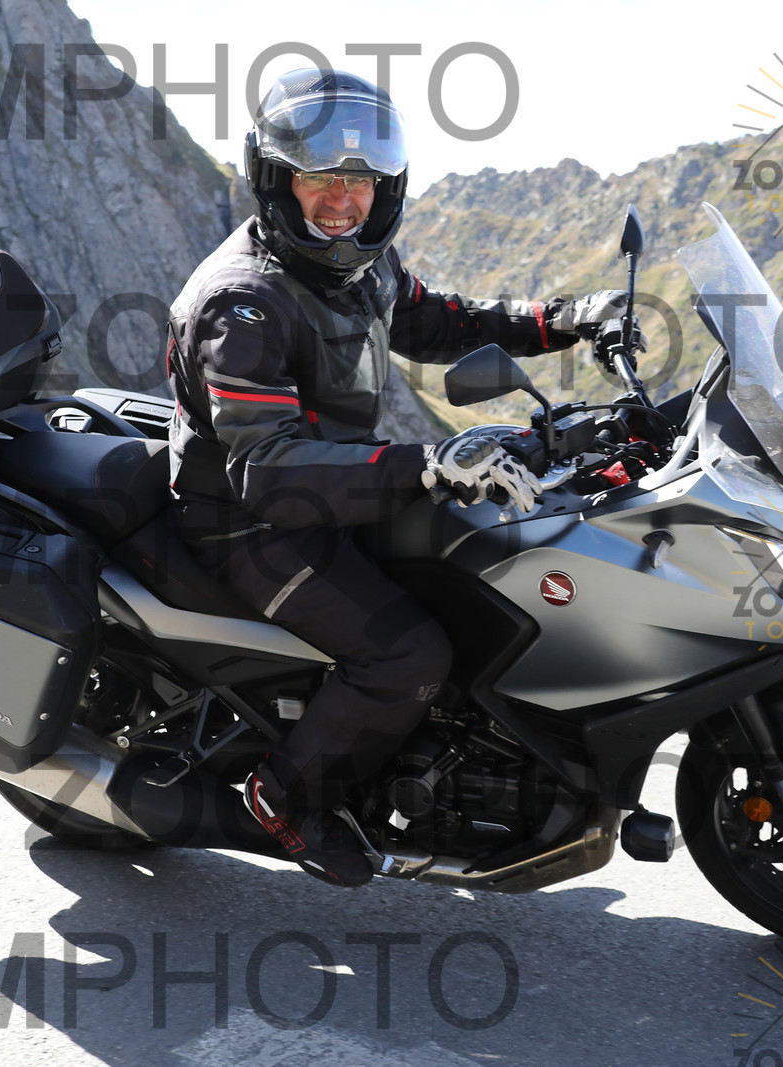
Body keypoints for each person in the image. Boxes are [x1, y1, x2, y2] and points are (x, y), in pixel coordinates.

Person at [165, 67, 631, 887]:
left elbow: (438, 319)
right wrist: (428, 465)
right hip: (252, 520)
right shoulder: (244, 305)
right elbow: (269, 469)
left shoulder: (359, 267)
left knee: (487, 574)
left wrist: (561, 319)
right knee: (407, 654)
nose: (343, 201)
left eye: (363, 182)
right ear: (277, 180)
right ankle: (284, 797)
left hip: (338, 487)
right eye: (320, 179)